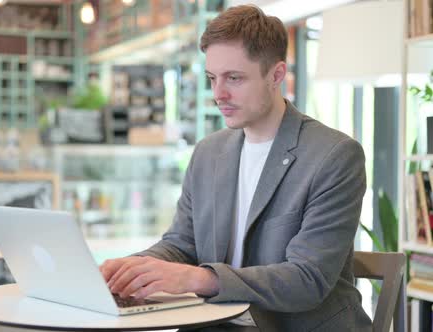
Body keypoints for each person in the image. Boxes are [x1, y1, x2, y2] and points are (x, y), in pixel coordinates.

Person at [100, 5, 372, 331]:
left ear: (276, 75)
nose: (219, 94)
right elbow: (181, 244)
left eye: (234, 78)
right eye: (212, 78)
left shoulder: (335, 156)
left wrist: (199, 278)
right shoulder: (208, 153)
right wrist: (134, 266)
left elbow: (307, 278)